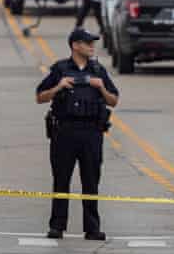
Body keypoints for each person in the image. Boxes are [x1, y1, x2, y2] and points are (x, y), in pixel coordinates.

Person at [36, 28, 119, 240]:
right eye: (87, 42)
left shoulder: (98, 70)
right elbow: (40, 97)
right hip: (65, 131)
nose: (92, 46)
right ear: (75, 45)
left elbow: (114, 101)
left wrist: (101, 88)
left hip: (91, 132)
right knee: (61, 179)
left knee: (91, 180)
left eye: (93, 43)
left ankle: (92, 228)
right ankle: (57, 226)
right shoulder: (60, 69)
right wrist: (58, 87)